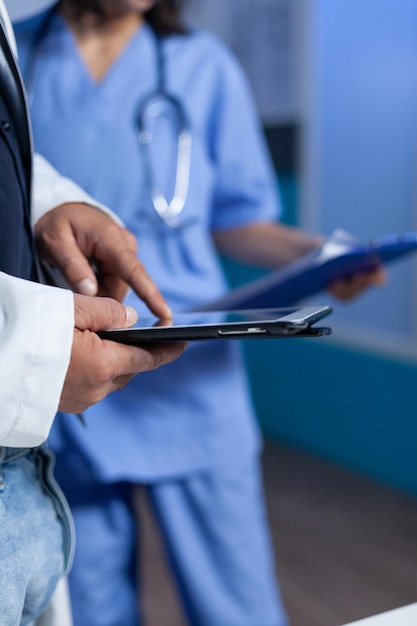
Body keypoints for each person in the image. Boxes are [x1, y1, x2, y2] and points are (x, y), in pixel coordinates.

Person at [15, 2, 386, 625]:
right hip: (76, 373)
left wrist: (319, 256)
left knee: (236, 606)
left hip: (192, 375)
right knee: (91, 606)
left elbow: (240, 221)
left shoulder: (204, 66)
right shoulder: (14, 55)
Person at [0, 2, 185, 625]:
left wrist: (46, 201)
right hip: (59, 379)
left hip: (81, 385)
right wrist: (34, 350)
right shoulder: (35, 41)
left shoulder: (199, 63)